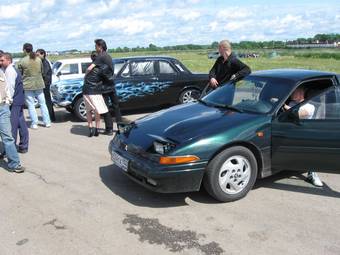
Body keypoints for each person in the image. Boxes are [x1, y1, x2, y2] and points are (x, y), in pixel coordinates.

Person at [283, 87, 323, 187]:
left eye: (294, 92)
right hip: (288, 132)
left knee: (310, 149)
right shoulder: (291, 103)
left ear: (301, 93)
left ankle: (312, 174)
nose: (291, 93)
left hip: (303, 135)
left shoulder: (310, 106)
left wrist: (283, 105)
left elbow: (298, 114)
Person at [87, 39, 122, 135]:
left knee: (105, 108)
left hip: (104, 87)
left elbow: (90, 68)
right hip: (111, 84)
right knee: (116, 107)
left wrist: (86, 75)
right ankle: (121, 127)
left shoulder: (100, 56)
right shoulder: (108, 56)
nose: (95, 48)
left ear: (100, 47)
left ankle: (109, 129)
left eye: (96, 46)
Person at [16, 43, 51, 129]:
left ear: (24, 50)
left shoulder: (22, 61)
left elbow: (19, 74)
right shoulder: (38, 59)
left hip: (28, 85)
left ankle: (34, 123)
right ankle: (47, 122)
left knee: (31, 105)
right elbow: (42, 71)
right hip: (39, 83)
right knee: (43, 104)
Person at [0, 52, 29, 153]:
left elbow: (10, 88)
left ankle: (9, 150)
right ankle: (23, 146)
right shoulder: (9, 69)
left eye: (2, 60)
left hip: (14, 101)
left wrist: (7, 102)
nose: (1, 62)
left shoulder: (10, 71)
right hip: (18, 100)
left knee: (11, 126)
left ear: (9, 60)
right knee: (21, 124)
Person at [0, 66, 25, 173]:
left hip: (3, 107)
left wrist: (8, 101)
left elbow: (7, 88)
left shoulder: (2, 72)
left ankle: (15, 164)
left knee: (7, 136)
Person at [82, 51, 109, 137]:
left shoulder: (88, 67)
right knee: (97, 111)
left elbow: (87, 76)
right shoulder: (102, 68)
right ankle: (97, 130)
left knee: (88, 111)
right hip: (96, 92)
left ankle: (90, 129)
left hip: (86, 91)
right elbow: (107, 79)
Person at [36, 49, 56, 122]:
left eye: (38, 55)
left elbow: (44, 74)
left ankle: (51, 117)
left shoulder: (45, 62)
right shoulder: (42, 62)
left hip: (46, 84)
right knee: (46, 101)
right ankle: (50, 117)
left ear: (43, 54)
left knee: (47, 101)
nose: (37, 56)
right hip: (45, 83)